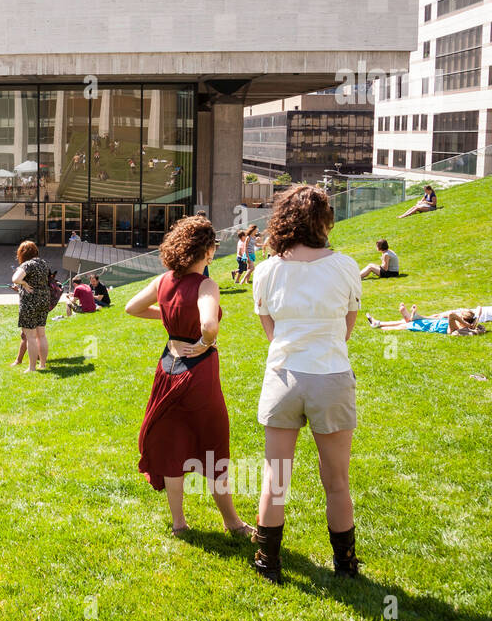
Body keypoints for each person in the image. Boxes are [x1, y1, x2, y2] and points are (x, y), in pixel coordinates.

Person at [250, 185, 363, 584]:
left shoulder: (265, 270)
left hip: (283, 375)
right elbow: (347, 328)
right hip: (330, 376)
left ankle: (268, 562)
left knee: (275, 477)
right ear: (325, 220)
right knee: (336, 480)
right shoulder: (346, 265)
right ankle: (346, 564)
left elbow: (270, 330)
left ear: (283, 219)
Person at [125, 216, 254, 540]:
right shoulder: (206, 285)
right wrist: (204, 341)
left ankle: (179, 523)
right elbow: (209, 325)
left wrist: (169, 317)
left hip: (168, 368)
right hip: (198, 374)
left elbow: (131, 307)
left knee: (171, 445)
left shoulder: (163, 281)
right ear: (207, 252)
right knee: (213, 446)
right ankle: (232, 523)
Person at [11, 241, 54, 372]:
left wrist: (23, 283)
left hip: (30, 302)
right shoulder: (44, 263)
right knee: (41, 335)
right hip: (44, 300)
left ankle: (32, 367)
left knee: (30, 336)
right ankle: (43, 364)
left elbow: (15, 279)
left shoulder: (27, 265)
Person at [365, 304, 485, 336]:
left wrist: (466, 324)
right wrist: (475, 322)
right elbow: (479, 307)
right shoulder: (462, 324)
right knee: (405, 322)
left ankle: (380, 326)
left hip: (426, 326)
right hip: (427, 322)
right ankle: (377, 323)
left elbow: (452, 315)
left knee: (403, 326)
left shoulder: (455, 328)